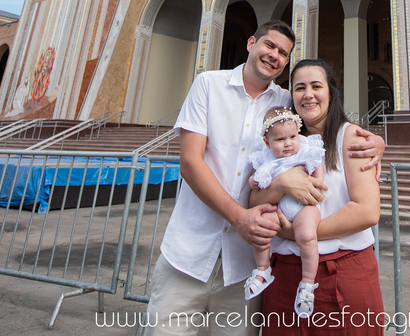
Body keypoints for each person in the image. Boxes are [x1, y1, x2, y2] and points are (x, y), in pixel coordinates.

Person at [145, 22, 384, 336]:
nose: (274, 55)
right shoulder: (209, 85)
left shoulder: (285, 105)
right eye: (269, 45)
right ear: (251, 43)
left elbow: (325, 122)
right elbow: (190, 162)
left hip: (245, 265)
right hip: (191, 252)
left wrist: (378, 142)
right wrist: (255, 209)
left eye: (283, 52)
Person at [254, 60, 384, 335]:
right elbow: (255, 202)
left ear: (331, 92)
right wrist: (282, 184)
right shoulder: (284, 143)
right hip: (284, 273)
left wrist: (297, 234)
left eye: (316, 86)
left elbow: (367, 211)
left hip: (341, 271)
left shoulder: (350, 137)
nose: (308, 94)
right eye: (299, 88)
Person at [243, 107, 326, 317]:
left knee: (307, 235)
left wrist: (318, 183)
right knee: (261, 228)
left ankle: (308, 284)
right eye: (280, 139)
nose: (288, 143)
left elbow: (317, 166)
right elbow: (258, 181)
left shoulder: (306, 149)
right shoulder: (266, 159)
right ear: (267, 142)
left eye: (292, 136)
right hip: (279, 206)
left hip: (304, 207)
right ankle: (263, 270)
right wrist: (254, 181)